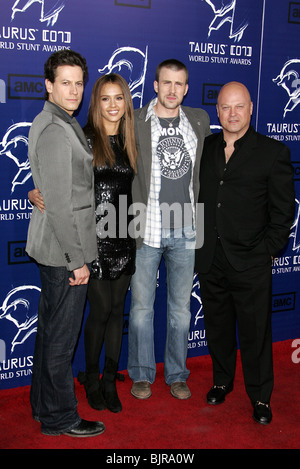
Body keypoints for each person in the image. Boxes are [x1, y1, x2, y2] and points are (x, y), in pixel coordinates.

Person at [30, 73, 137, 414]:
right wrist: (35, 191)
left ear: (126, 102)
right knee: (100, 311)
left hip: (124, 234)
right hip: (92, 238)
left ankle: (108, 379)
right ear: (96, 103)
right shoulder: (84, 137)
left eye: (118, 98)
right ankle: (90, 378)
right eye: (105, 98)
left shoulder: (133, 139)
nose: (112, 105)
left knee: (117, 312)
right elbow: (60, 180)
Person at [195, 81, 295, 424]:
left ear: (251, 108)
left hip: (251, 260)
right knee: (218, 327)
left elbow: (284, 213)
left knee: (255, 332)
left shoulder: (272, 152)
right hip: (211, 258)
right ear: (217, 111)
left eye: (239, 106)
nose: (232, 113)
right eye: (225, 107)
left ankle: (261, 397)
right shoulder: (206, 147)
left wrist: (267, 251)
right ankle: (222, 382)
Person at [26, 50, 105, 437]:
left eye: (78, 83)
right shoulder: (57, 129)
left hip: (54, 248)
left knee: (49, 334)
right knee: (60, 340)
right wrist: (77, 260)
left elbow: (52, 190)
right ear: (49, 85)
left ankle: (43, 406)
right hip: (64, 253)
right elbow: (58, 204)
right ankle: (60, 418)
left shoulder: (53, 119)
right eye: (65, 83)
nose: (73, 90)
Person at [127, 59, 211, 400]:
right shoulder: (134, 120)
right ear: (156, 86)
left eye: (179, 84)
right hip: (146, 229)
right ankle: (142, 374)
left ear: (186, 88)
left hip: (187, 231)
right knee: (142, 309)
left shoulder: (199, 120)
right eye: (166, 83)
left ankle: (177, 373)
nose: (173, 90)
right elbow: (101, 151)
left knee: (180, 309)